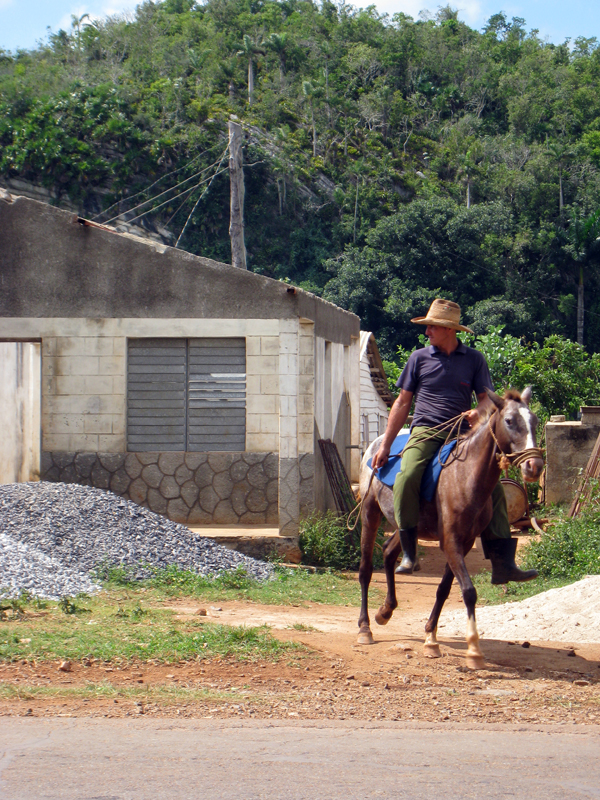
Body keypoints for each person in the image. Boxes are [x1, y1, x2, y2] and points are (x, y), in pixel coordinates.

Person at [371, 298, 538, 585]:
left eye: (432, 327)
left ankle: (503, 563)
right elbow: (402, 403)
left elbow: (487, 401)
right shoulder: (418, 358)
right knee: (408, 475)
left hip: (461, 434)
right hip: (425, 430)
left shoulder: (474, 359)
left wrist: (478, 412)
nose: (427, 333)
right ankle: (409, 552)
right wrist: (386, 443)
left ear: (449, 329)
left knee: (493, 490)